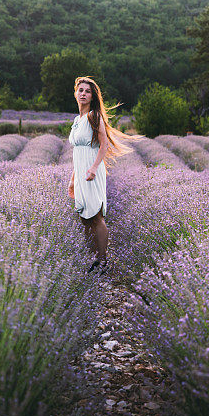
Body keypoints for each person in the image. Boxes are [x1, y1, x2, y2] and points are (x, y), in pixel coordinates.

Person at [67, 76, 142, 275]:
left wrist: (93, 168)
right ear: (76, 93)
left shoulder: (94, 116)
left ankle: (102, 260)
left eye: (87, 91)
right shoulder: (77, 120)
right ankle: (92, 258)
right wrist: (73, 179)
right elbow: (77, 152)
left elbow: (104, 145)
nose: (83, 94)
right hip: (81, 171)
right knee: (84, 216)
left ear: (93, 97)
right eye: (80, 90)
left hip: (92, 171)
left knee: (96, 216)